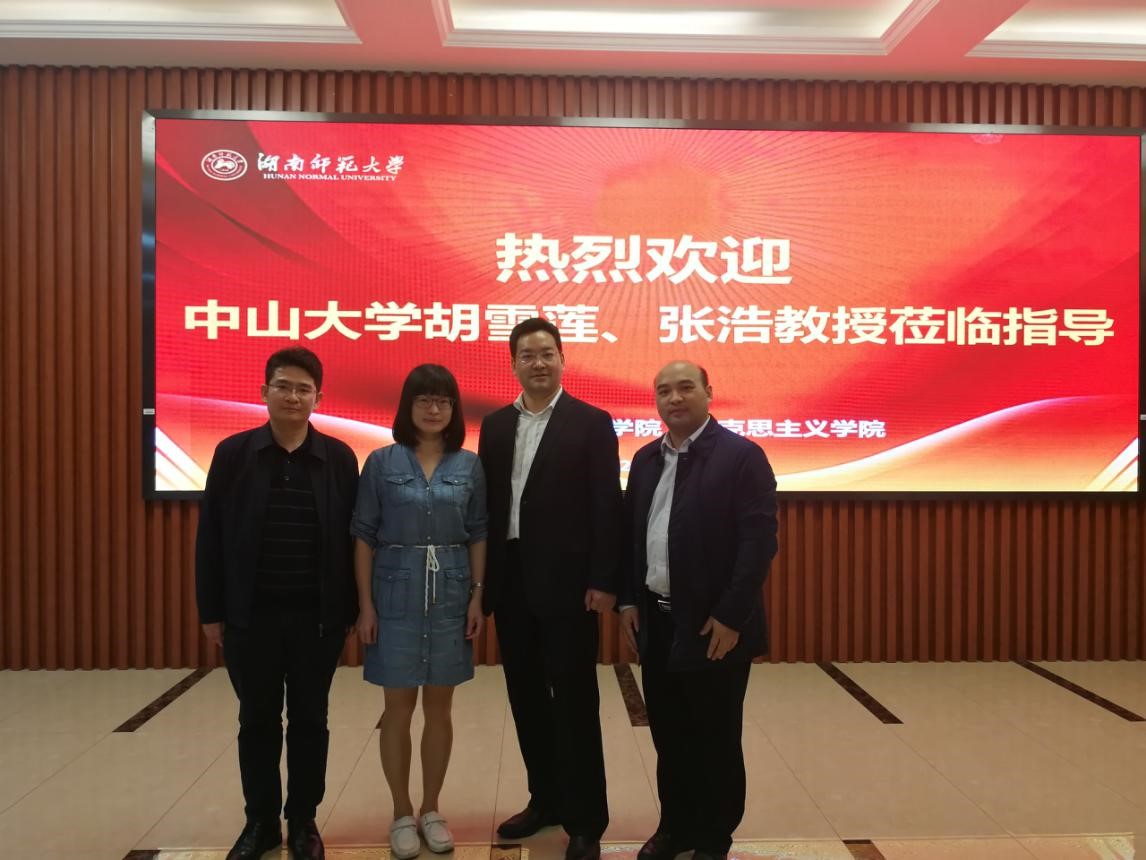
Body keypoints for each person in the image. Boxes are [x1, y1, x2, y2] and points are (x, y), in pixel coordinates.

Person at [195, 346, 360, 860]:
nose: (293, 396)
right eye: (283, 387)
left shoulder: (338, 458)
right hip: (250, 618)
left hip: (317, 619)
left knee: (311, 720)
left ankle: (304, 821)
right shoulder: (233, 454)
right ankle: (261, 822)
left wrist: (350, 611)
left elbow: (354, 541)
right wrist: (211, 611)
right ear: (264, 392)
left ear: (318, 398)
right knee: (257, 721)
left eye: (303, 389)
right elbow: (211, 537)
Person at [619, 360, 779, 860]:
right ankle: (676, 827)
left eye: (686, 387)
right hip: (657, 619)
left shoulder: (742, 457)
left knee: (716, 736)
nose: (674, 398)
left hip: (713, 626)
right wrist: (628, 600)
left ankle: (713, 837)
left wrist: (731, 616)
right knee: (670, 735)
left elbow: (758, 544)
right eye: (663, 391)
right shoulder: (646, 460)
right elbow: (633, 538)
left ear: (709, 392)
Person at [478, 317, 622, 860]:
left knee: (575, 701)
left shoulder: (591, 422)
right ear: (513, 363)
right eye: (527, 355)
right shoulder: (495, 426)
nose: (537, 363)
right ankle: (546, 799)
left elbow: (606, 504)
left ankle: (586, 820)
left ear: (562, 359)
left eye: (546, 353)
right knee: (527, 698)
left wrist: (603, 578)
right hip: (510, 581)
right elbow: (489, 508)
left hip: (569, 586)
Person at [351, 364, 488, 860]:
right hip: (394, 594)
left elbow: (478, 532)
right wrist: (365, 605)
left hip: (450, 592)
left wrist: (476, 596)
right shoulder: (381, 462)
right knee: (397, 709)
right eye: (423, 400)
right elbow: (363, 535)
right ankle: (401, 812)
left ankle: (432, 808)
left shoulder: (469, 465)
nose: (434, 409)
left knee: (440, 709)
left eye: (443, 401)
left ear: (454, 409)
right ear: (407, 406)